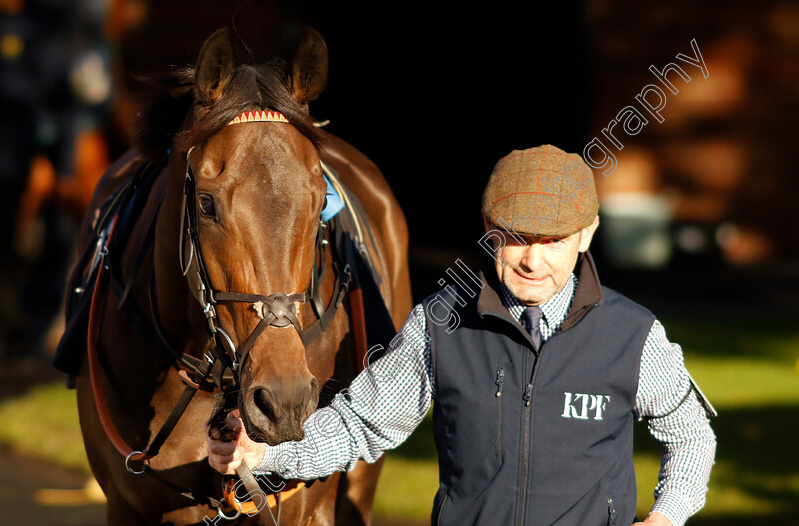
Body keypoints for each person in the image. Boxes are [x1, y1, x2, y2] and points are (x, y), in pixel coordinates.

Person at [208, 145, 717, 526]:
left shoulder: (633, 335)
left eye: (553, 241)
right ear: (488, 228)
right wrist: (265, 455)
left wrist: (666, 518)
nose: (532, 261)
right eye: (514, 237)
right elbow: (360, 423)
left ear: (586, 234)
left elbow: (692, 435)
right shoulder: (441, 323)